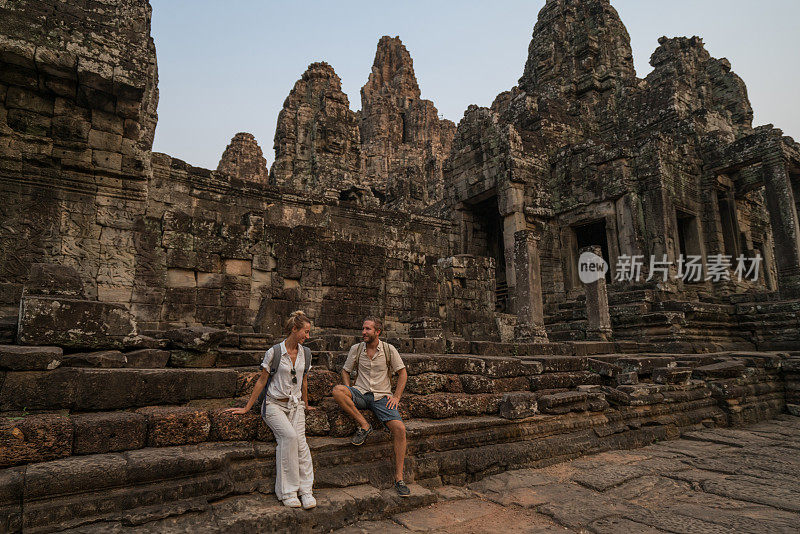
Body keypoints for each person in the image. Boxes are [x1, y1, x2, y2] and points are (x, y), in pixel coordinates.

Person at [224, 311, 316, 509]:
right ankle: (288, 492)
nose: (307, 337)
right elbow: (261, 381)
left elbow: (304, 381)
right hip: (274, 405)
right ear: (294, 329)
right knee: (289, 438)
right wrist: (247, 408)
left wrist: (305, 404)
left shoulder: (305, 354)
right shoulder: (274, 352)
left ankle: (306, 491)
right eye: (305, 332)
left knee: (301, 443)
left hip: (295, 404)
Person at [331, 317, 410, 497]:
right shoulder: (356, 349)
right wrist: (349, 387)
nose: (363, 332)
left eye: (367, 329)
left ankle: (399, 478)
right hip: (360, 393)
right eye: (363, 328)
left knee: (400, 429)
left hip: (382, 397)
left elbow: (403, 373)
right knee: (337, 391)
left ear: (377, 332)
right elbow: (345, 370)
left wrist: (396, 397)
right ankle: (365, 425)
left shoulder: (389, 350)